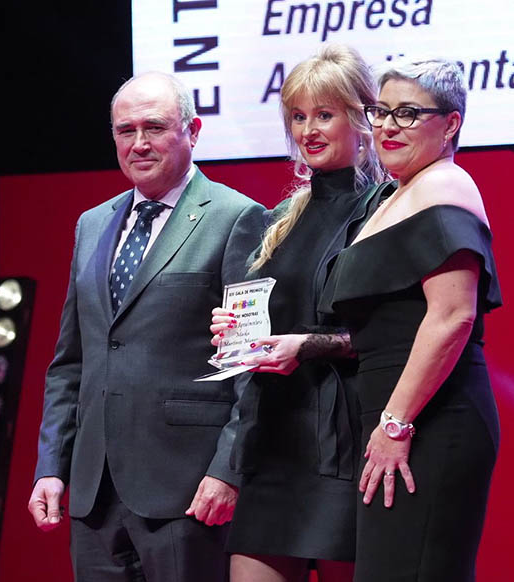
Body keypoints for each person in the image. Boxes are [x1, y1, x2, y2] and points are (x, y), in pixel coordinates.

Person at [27, 71, 265, 582]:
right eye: (125, 130)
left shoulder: (237, 217)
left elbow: (251, 366)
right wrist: (51, 465)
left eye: (154, 127)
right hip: (94, 491)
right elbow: (72, 361)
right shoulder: (92, 224)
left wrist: (228, 470)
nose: (139, 143)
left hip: (186, 488)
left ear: (192, 131)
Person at [209, 45, 389, 582]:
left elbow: (391, 334)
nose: (308, 130)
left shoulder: (387, 208)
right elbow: (265, 321)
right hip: (275, 440)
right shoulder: (281, 218)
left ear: (361, 117)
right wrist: (235, 332)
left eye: (324, 114)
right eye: (298, 116)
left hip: (345, 443)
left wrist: (305, 345)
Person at [318, 59, 502, 581]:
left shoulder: (446, 185)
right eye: (381, 112)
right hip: (395, 422)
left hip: (429, 423)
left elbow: (453, 316)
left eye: (408, 113)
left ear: (451, 124)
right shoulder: (399, 194)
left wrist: (396, 424)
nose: (387, 126)